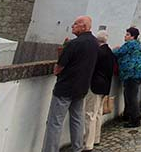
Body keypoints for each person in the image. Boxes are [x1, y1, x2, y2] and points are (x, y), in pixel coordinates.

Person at [41, 15, 99, 152]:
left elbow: (58, 69)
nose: (72, 26)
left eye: (75, 24)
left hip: (65, 88)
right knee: (77, 120)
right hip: (82, 87)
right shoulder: (94, 43)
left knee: (55, 123)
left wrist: (63, 51)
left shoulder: (74, 44)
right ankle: (77, 148)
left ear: (84, 27)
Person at [83, 31, 114, 152]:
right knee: (98, 113)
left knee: (90, 113)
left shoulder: (98, 53)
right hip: (104, 86)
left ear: (97, 41)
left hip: (95, 85)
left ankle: (88, 143)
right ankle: (96, 138)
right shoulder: (110, 52)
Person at [113, 27, 141, 128]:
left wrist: (115, 49)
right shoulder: (137, 44)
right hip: (139, 72)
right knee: (129, 94)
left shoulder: (129, 44)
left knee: (131, 97)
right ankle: (127, 115)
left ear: (132, 36)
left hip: (131, 73)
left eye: (127, 34)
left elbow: (117, 53)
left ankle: (135, 119)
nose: (125, 36)